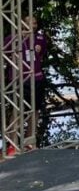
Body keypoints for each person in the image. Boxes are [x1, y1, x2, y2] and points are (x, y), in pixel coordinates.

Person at [2, 16, 49, 148]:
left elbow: (41, 56)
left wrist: (38, 51)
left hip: (37, 78)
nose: (33, 25)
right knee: (17, 111)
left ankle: (30, 142)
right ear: (22, 23)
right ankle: (12, 144)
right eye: (30, 23)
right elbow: (4, 53)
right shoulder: (13, 38)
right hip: (19, 79)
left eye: (35, 22)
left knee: (34, 110)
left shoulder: (40, 38)